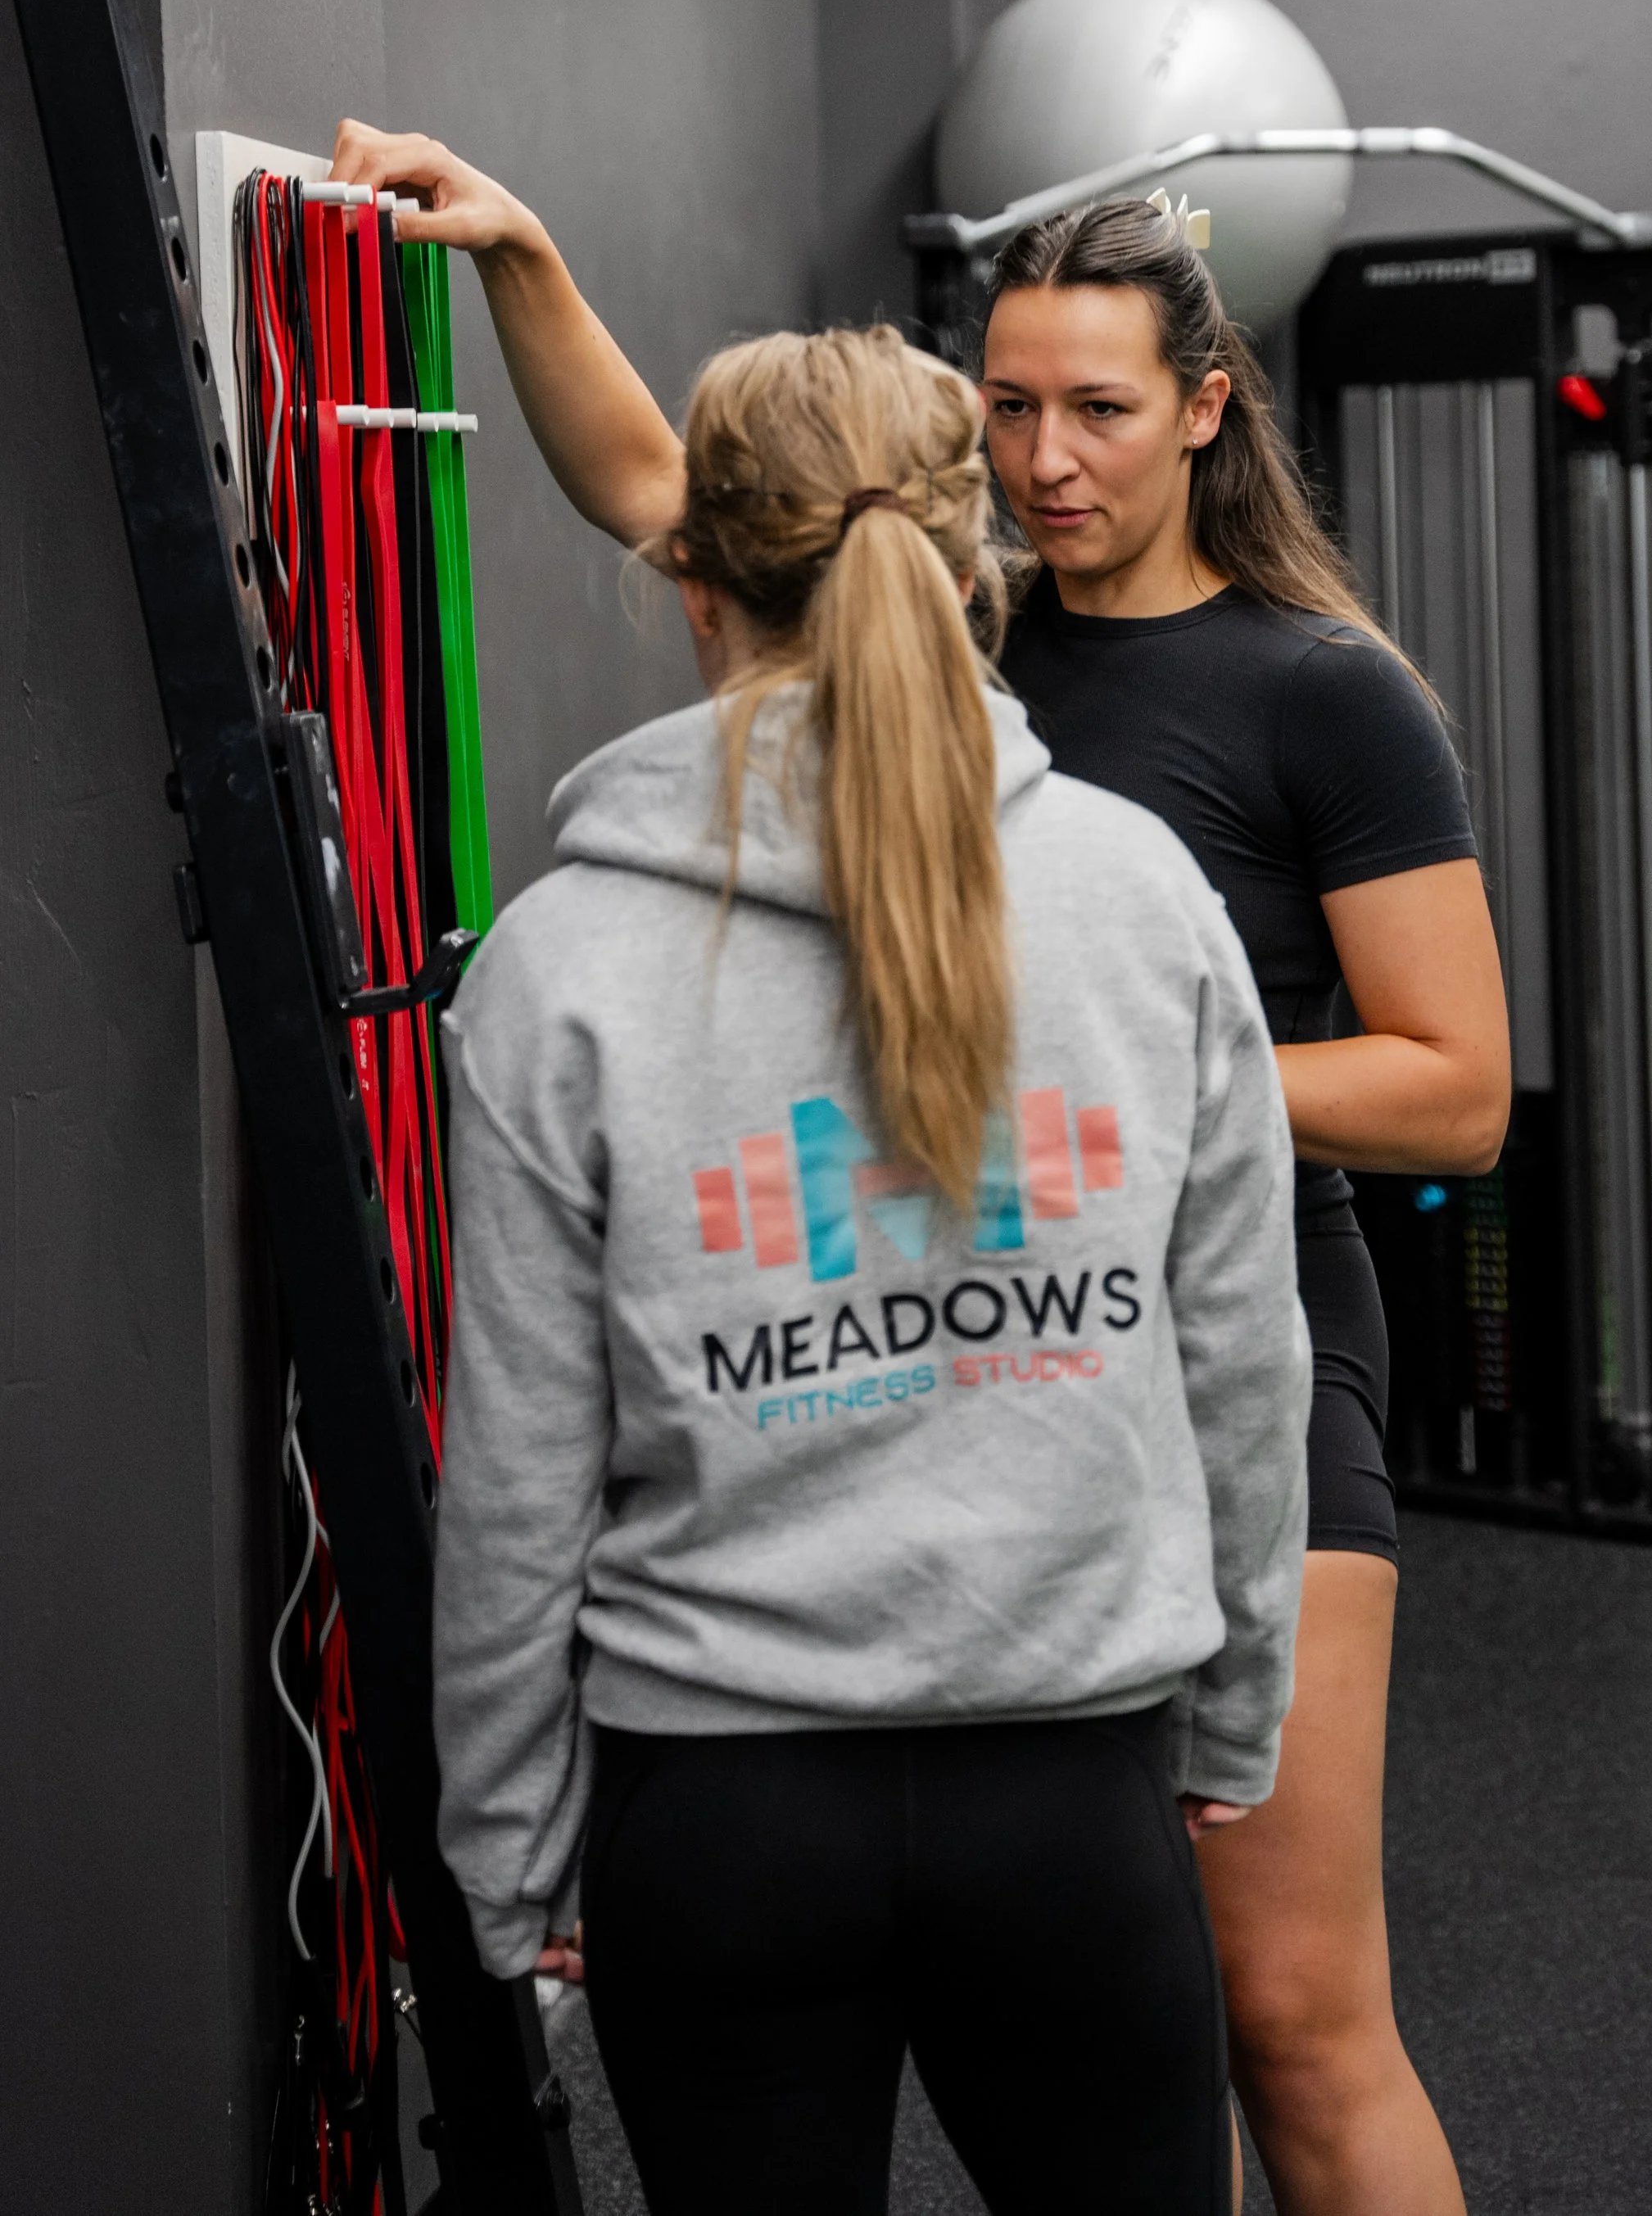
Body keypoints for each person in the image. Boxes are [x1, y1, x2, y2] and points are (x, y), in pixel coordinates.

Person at [339, 120, 1511, 2215]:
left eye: (1103, 411)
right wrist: (521, 253)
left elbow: (1456, 1094)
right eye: (1013, 411)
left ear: (1204, 414)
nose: (1054, 457)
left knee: (1299, 2010)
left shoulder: (1314, 699)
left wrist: (1150, 1086)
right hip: (952, 1355)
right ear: (945, 478)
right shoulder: (936, 620)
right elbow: (670, 499)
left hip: (1211, 1339)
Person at [430, 315, 1312, 2216]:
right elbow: (1241, 1351)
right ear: (970, 550)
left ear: (691, 576)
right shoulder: (1141, 889)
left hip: (715, 1822)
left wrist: (509, 1845)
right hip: (1073, 1801)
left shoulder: (555, 963)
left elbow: (516, 1468)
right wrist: (1237, 1703)